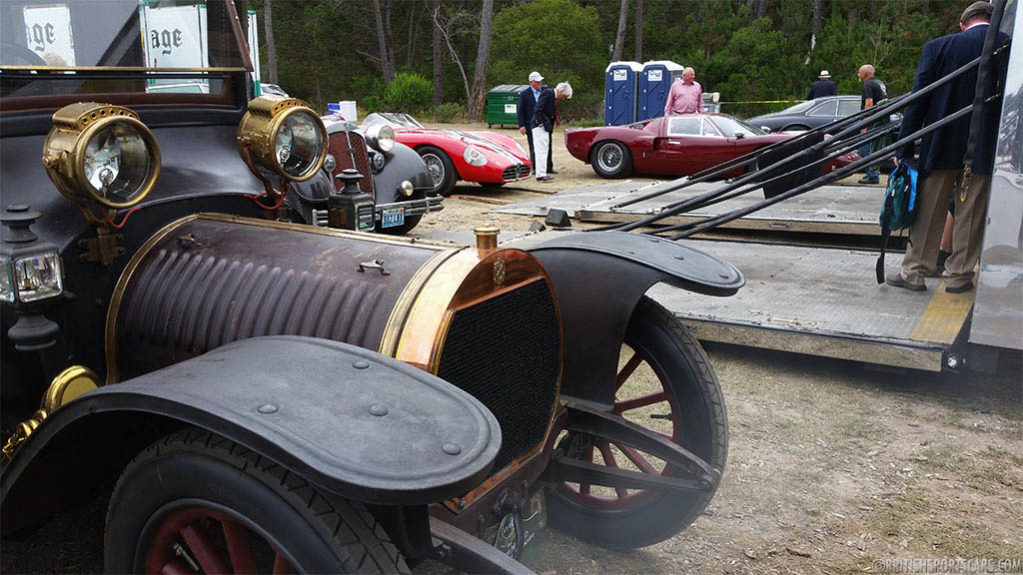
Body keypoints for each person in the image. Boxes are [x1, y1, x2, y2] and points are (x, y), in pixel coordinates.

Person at [885, 1, 1004, 293]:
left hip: (940, 145)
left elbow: (919, 100)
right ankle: (959, 276)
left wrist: (904, 147)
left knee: (930, 211)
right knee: (972, 212)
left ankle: (915, 272)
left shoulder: (939, 47)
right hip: (986, 145)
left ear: (963, 24)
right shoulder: (1009, 47)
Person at [532, 82, 573, 182]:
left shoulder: (551, 96)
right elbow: (538, 109)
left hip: (546, 127)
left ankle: (542, 173)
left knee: (544, 150)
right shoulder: (548, 94)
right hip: (540, 126)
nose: (563, 98)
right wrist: (541, 123)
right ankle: (540, 175)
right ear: (560, 91)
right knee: (541, 150)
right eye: (564, 96)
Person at [517, 71, 555, 175]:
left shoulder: (546, 91)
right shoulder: (525, 94)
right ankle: (535, 167)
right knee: (534, 146)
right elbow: (520, 110)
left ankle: (548, 167)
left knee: (548, 145)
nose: (540, 83)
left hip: (545, 123)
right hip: (531, 124)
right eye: (537, 82)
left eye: (540, 81)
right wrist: (522, 125)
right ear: (531, 82)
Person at [857, 64, 887, 184]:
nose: (858, 75)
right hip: (881, 119)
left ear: (865, 74)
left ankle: (872, 175)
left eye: (859, 73)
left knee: (864, 149)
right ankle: (873, 172)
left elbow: (869, 103)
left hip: (872, 120)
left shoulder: (867, 85)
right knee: (874, 148)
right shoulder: (879, 83)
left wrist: (864, 123)